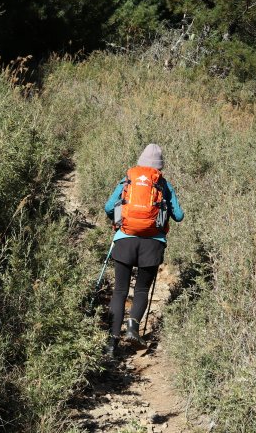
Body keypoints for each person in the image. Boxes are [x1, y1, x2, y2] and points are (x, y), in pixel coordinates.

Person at [103, 143, 183, 357]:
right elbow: (179, 215)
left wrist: (121, 219)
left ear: (140, 162)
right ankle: (132, 327)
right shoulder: (163, 184)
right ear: (160, 166)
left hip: (125, 240)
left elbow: (109, 207)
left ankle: (111, 343)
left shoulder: (127, 180)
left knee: (120, 290)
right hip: (152, 243)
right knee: (140, 290)